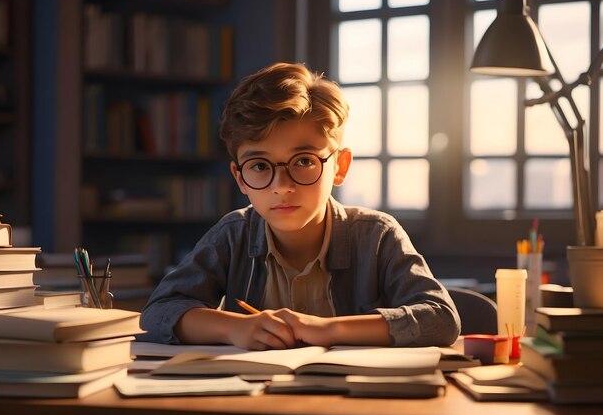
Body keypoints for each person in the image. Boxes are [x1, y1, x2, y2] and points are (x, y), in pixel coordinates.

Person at [140, 61, 461, 350]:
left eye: (304, 161)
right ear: (239, 177)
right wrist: (233, 327)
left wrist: (331, 329)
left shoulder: (375, 235)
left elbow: (440, 319)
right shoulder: (232, 235)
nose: (282, 187)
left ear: (340, 166)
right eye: (260, 166)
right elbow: (158, 313)